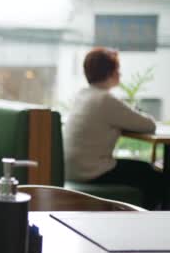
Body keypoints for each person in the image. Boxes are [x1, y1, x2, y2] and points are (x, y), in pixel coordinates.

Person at [63, 47, 163, 209]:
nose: (120, 74)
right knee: (153, 175)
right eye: (118, 69)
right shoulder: (105, 99)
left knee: (144, 170)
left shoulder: (83, 95)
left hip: (72, 170)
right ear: (110, 72)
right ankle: (154, 220)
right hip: (92, 171)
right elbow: (149, 125)